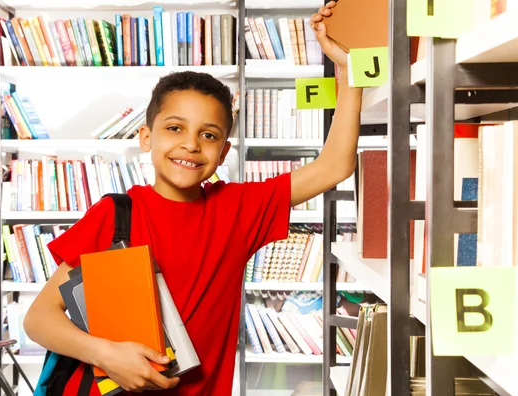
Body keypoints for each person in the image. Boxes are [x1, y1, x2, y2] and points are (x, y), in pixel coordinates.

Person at [23, 1, 361, 395]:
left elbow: (334, 166)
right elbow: (39, 319)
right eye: (174, 127)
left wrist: (347, 70)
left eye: (209, 134)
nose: (190, 144)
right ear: (146, 138)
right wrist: (106, 355)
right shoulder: (115, 215)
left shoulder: (237, 209)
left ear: (224, 150)